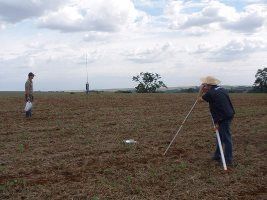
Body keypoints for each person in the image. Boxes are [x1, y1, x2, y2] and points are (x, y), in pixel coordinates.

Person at [198, 76, 235, 165]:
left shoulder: (210, 93)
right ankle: (218, 155)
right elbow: (216, 97)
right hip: (228, 114)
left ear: (208, 85)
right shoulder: (222, 89)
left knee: (226, 138)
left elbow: (199, 100)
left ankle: (228, 160)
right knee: (220, 136)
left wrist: (201, 90)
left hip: (222, 116)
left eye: (205, 84)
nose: (204, 85)